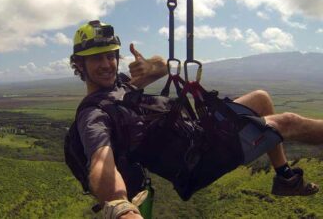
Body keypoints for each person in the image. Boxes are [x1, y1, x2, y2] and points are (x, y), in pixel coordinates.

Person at [69, 20, 321, 219]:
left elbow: (162, 66)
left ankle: (285, 178)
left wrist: (150, 66)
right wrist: (121, 207)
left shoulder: (120, 86)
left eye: (110, 55)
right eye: (96, 58)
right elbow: (101, 162)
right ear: (80, 65)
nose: (107, 64)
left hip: (197, 133)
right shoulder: (94, 114)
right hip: (197, 160)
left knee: (261, 100)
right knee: (287, 122)